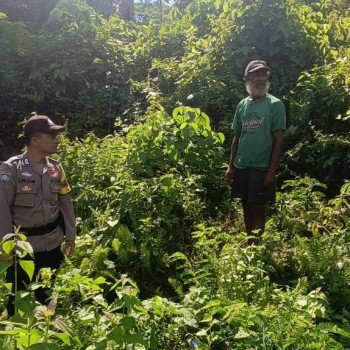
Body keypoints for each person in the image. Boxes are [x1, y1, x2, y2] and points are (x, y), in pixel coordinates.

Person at [0, 114, 76, 316]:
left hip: (52, 244)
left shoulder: (56, 168)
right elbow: (2, 209)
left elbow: (65, 201)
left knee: (48, 295)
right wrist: (6, 246)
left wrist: (71, 234)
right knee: (17, 297)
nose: (56, 139)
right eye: (51, 135)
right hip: (22, 249)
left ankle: (49, 334)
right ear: (35, 140)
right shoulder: (11, 169)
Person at [224, 60, 286, 244]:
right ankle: (249, 243)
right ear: (247, 78)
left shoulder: (275, 105)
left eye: (263, 74)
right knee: (245, 205)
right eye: (256, 75)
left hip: (262, 167)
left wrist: (271, 171)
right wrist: (230, 166)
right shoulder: (242, 105)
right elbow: (237, 136)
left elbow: (279, 139)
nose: (260, 79)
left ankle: (255, 249)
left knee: (258, 207)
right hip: (242, 165)